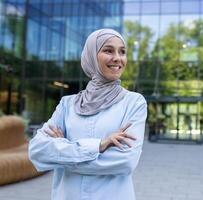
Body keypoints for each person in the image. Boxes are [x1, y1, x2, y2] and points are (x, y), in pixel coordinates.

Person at [28, 29, 147, 200]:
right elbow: (37, 150)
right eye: (108, 50)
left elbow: (125, 162)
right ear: (91, 55)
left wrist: (62, 151)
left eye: (122, 52)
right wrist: (98, 146)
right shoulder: (67, 104)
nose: (117, 58)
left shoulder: (133, 102)